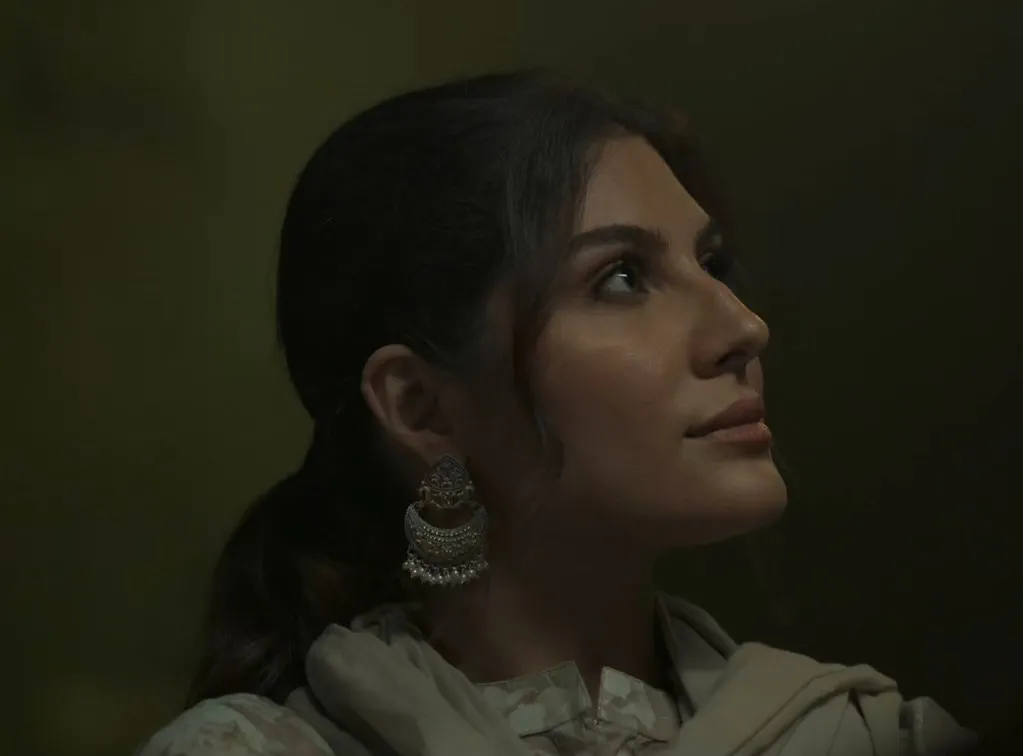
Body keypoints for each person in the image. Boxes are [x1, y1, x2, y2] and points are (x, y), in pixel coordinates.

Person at [137, 72, 972, 756]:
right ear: (422, 407)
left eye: (712, 262)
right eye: (622, 278)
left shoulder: (873, 739)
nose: (743, 327)